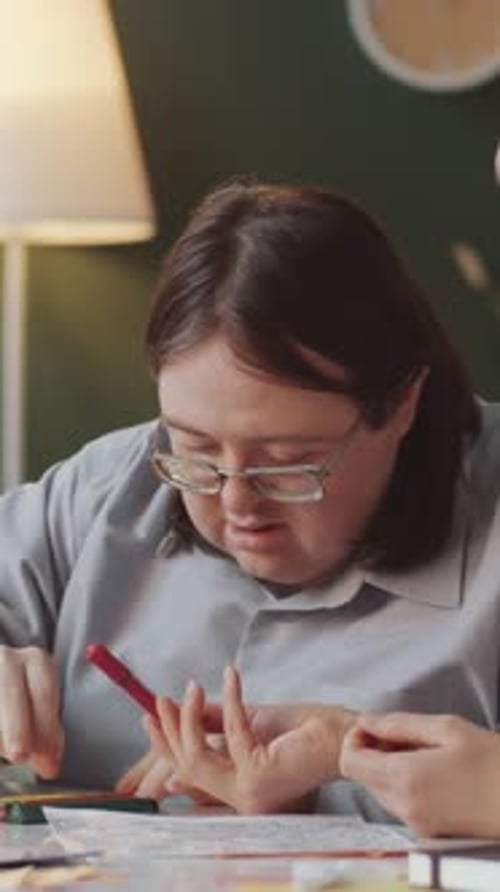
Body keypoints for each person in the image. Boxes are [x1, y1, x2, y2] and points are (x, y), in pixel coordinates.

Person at [0, 179, 498, 821]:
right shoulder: (109, 488)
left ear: (402, 402)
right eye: (197, 452)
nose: (237, 504)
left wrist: (338, 767)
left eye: (288, 464)